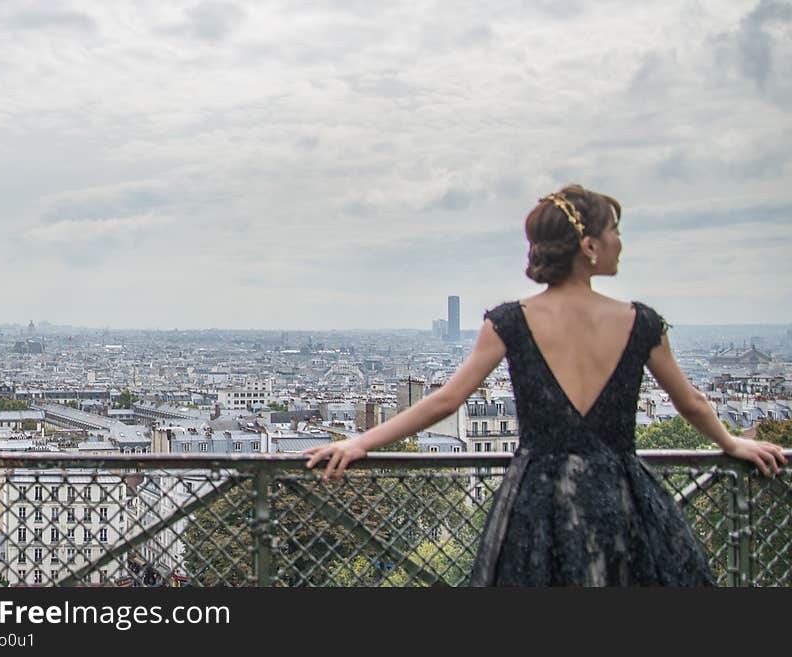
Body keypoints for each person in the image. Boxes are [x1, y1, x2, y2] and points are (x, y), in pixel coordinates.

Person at [304, 184, 788, 586]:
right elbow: (690, 402)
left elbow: (447, 400)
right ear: (590, 246)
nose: (620, 241)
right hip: (622, 494)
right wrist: (730, 443)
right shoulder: (640, 323)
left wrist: (363, 441)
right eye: (614, 231)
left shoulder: (511, 321)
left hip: (539, 496)